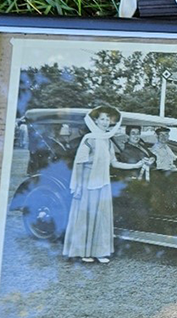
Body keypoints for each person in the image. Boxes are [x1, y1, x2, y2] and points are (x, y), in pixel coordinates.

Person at [62, 106, 149, 264]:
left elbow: (114, 163)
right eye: (102, 119)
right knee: (86, 217)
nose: (105, 122)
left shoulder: (107, 141)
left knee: (101, 217)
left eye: (107, 119)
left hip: (102, 183)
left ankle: (99, 252)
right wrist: (79, 187)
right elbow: (80, 164)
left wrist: (135, 165)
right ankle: (83, 252)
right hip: (87, 184)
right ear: (95, 121)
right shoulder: (89, 139)